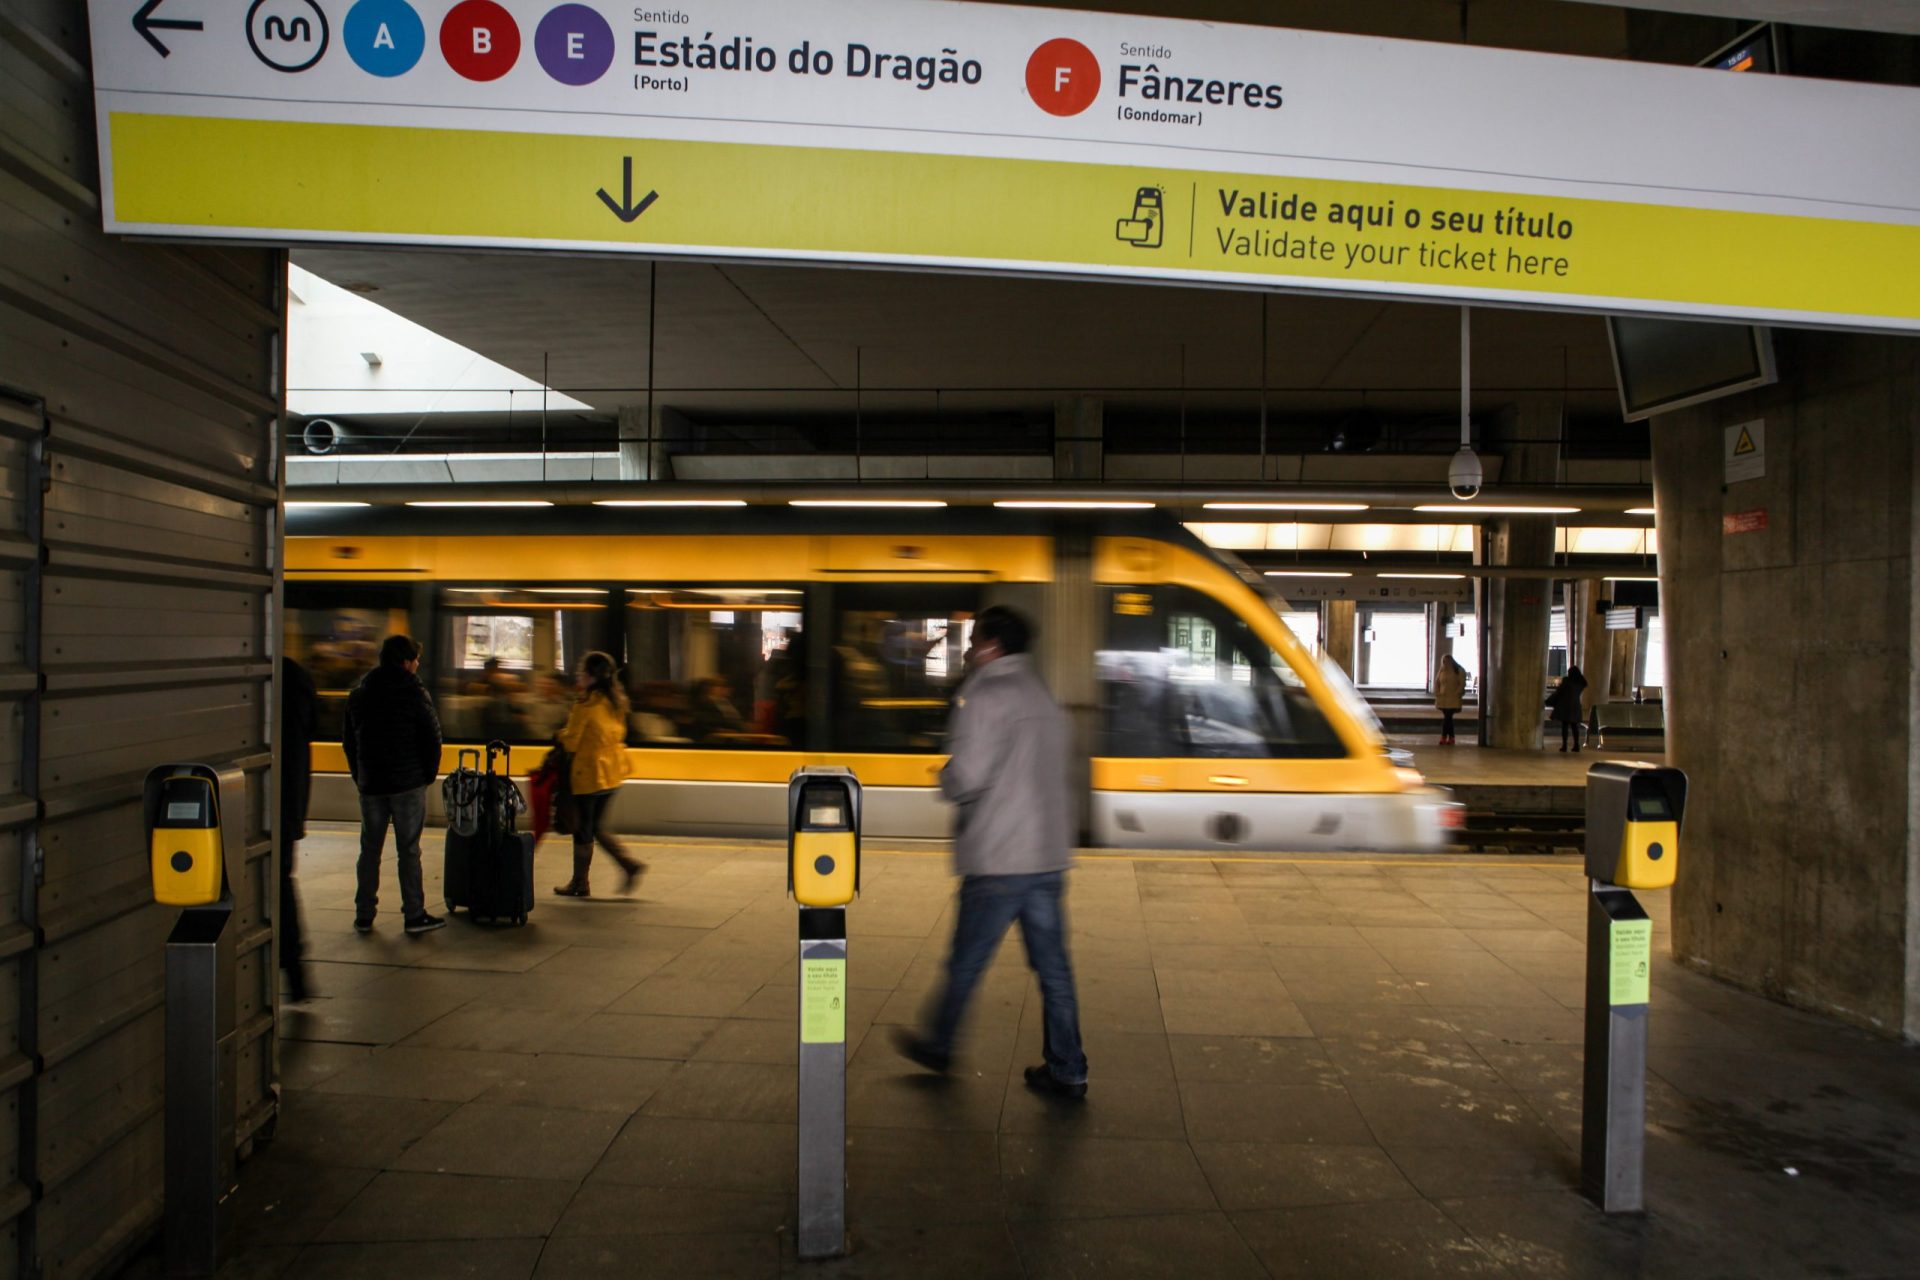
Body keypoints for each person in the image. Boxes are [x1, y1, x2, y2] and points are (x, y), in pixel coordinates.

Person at [895, 605, 1088, 1100]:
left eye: (975, 639)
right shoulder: (1044, 696)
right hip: (1045, 856)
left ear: (991, 645)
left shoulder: (986, 694)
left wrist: (944, 779)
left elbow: (970, 776)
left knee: (966, 962)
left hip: (1000, 856)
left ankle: (939, 1045)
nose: (970, 649)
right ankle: (1068, 1069)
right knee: (1054, 973)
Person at [343, 635, 446, 934]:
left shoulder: (360, 694)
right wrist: (426, 776)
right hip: (408, 784)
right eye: (415, 661)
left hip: (372, 784)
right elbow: (432, 738)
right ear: (405, 662)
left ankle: (364, 914)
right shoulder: (414, 693)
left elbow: (349, 742)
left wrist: (360, 775)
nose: (417, 666)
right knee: (409, 850)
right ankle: (413, 915)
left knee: (370, 849)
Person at [551, 651, 646, 897]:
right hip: (613, 773)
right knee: (593, 826)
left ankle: (583, 881)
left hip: (589, 775)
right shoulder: (616, 702)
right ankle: (623, 867)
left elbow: (571, 743)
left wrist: (559, 734)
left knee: (585, 828)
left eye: (582, 673)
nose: (579, 677)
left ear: (591, 676)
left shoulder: (585, 706)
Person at [279, 655, 318, 1000]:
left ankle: (290, 965)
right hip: (289, 802)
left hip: (274, 803)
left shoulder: (277, 676)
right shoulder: (297, 677)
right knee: (281, 880)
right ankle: (294, 970)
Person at [1548, 664, 1589, 753]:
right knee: (1574, 726)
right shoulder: (1581, 683)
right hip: (1576, 706)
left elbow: (1559, 692)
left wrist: (1549, 700)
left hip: (1565, 705)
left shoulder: (1567, 681)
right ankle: (1576, 745)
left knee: (1565, 726)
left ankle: (1564, 745)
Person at [1434, 654, 1467, 746]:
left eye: (1447, 661)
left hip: (1453, 698)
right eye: (1444, 661)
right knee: (1448, 719)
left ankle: (1444, 737)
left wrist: (1457, 693)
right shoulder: (1442, 670)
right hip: (1443, 698)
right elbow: (1437, 682)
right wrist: (1437, 693)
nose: (1445, 663)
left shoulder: (1459, 670)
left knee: (1447, 718)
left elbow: (1462, 683)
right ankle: (1451, 737)